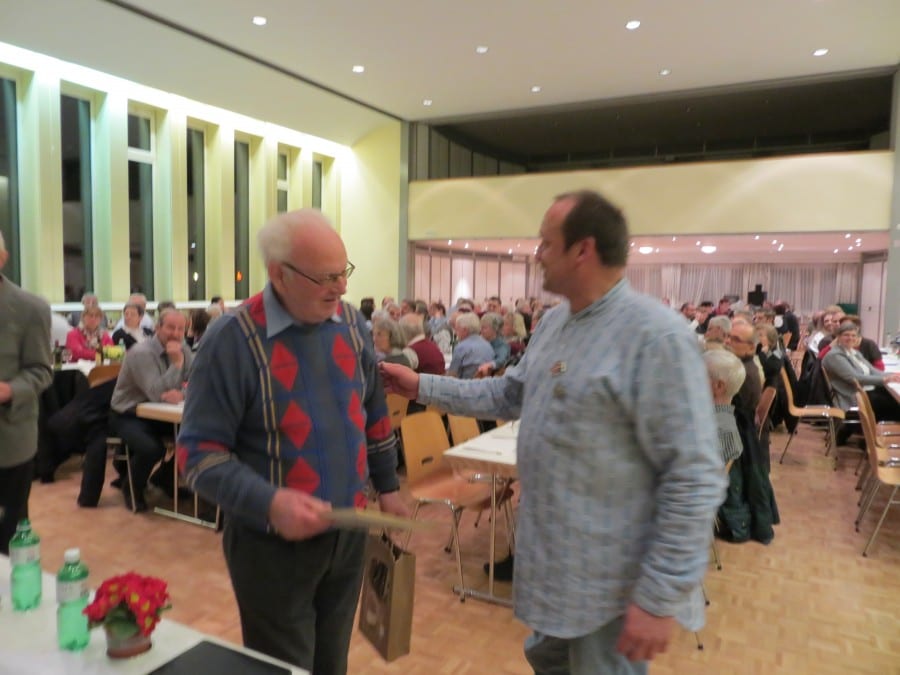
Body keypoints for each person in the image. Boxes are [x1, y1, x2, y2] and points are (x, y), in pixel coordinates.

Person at [381, 190, 725, 674]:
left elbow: (695, 477)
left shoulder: (656, 338)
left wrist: (658, 595)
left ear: (582, 250)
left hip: (613, 585)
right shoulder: (555, 323)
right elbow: (508, 394)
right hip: (557, 570)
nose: (536, 253)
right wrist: (422, 385)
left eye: (545, 243)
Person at [177, 209, 407, 675]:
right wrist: (269, 502)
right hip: (272, 551)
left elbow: (373, 409)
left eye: (343, 272)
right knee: (284, 669)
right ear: (278, 274)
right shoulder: (232, 340)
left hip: (348, 532)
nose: (342, 288)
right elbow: (196, 456)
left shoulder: (349, 323)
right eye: (325, 276)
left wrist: (387, 484)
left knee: (331, 664)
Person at [0, 231, 53, 553]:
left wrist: (8, 390)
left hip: (9, 440)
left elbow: (42, 370)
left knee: (9, 536)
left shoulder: (29, 309)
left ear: (2, 259)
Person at [109, 309, 193, 512]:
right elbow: (156, 393)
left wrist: (182, 393)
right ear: (157, 328)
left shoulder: (183, 348)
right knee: (152, 448)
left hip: (161, 413)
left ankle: (164, 477)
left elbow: (197, 379)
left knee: (195, 436)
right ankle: (132, 487)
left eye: (180, 329)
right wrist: (177, 365)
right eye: (170, 327)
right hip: (129, 412)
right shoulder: (141, 353)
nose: (175, 333)